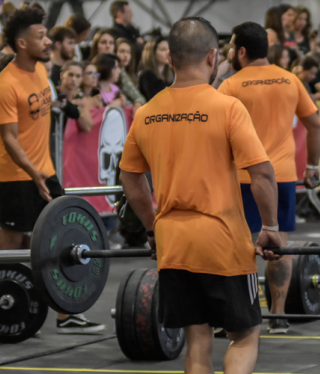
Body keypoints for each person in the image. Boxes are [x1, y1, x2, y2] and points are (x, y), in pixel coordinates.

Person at [120, 17, 282, 374]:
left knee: (197, 339)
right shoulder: (227, 107)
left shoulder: (145, 114)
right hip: (222, 242)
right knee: (244, 335)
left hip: (174, 244)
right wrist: (271, 225)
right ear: (212, 57)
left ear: (170, 58)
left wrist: (152, 228)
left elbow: (130, 180)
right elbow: (262, 173)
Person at [0, 5, 105, 334]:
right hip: (16, 175)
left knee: (60, 239)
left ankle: (66, 314)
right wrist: (32, 172)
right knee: (11, 248)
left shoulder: (41, 72)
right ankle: (2, 312)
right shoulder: (5, 84)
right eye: (41, 36)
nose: (48, 42)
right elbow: (9, 139)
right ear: (22, 43)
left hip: (45, 171)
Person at [218, 21, 320, 335]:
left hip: (244, 177)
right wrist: (313, 167)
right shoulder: (290, 80)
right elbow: (315, 125)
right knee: (280, 244)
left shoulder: (231, 85)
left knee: (240, 247)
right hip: (282, 176)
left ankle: (240, 317)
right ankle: (278, 316)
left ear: (240, 51)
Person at [56, 61, 95, 132]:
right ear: (62, 75)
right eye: (70, 75)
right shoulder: (53, 93)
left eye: (78, 76)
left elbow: (87, 127)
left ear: (81, 79)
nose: (74, 79)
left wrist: (77, 109)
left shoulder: (80, 99)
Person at [115, 37, 146, 108]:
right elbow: (139, 97)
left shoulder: (130, 75)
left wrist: (138, 103)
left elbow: (140, 98)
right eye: (122, 51)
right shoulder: (121, 72)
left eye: (128, 52)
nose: (126, 55)